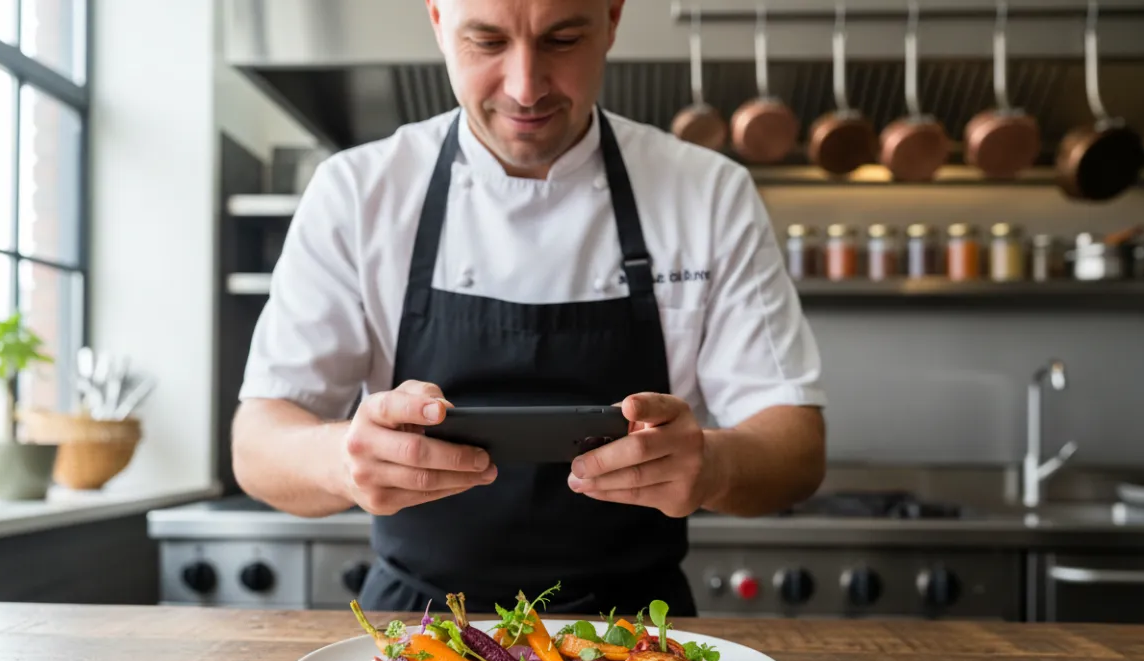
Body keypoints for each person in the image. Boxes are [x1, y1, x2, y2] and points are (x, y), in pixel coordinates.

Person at [231, 0, 827, 617]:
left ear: (613, 20)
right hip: (420, 631)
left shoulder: (708, 194)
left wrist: (715, 465)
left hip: (638, 640)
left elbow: (797, 449)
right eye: (486, 42)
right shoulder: (357, 193)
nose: (525, 87)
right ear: (438, 21)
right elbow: (257, 446)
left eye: (562, 39)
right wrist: (340, 460)